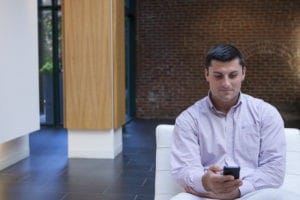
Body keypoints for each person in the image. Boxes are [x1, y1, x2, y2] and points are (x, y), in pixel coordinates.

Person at [170, 44, 298, 199]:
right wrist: (206, 182)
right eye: (218, 76)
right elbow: (185, 168)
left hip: (252, 193)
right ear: (206, 74)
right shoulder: (188, 119)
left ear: (243, 73)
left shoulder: (266, 114)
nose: (226, 83)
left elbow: (274, 169)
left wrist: (237, 192)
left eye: (233, 75)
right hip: (204, 194)